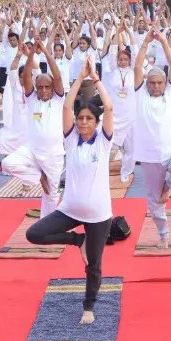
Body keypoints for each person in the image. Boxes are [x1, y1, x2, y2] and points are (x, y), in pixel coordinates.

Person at [26, 62, 115, 326]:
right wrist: (79, 78)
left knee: (94, 265)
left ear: (96, 123)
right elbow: (66, 105)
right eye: (81, 119)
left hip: (99, 214)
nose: (84, 122)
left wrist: (96, 79)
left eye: (89, 119)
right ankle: (78, 242)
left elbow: (109, 108)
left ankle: (89, 305)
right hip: (71, 209)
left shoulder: (103, 141)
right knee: (34, 234)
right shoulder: (70, 140)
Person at [133, 28, 171, 249]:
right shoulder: (140, 95)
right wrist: (146, 42)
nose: (156, 86)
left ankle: (167, 186)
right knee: (154, 201)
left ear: (165, 83)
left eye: (159, 82)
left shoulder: (170, 93)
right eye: (152, 83)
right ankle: (163, 234)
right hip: (149, 157)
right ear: (147, 84)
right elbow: (138, 66)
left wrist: (164, 42)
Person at [1, 41, 66, 217]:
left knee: (51, 194)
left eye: (47, 87)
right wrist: (29, 54)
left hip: (53, 154)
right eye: (40, 87)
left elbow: (57, 76)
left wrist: (45, 50)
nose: (43, 90)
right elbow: (28, 76)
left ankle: (47, 223)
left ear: (53, 88)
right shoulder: (32, 99)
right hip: (32, 149)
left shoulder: (58, 100)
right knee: (7, 164)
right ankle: (38, 176)